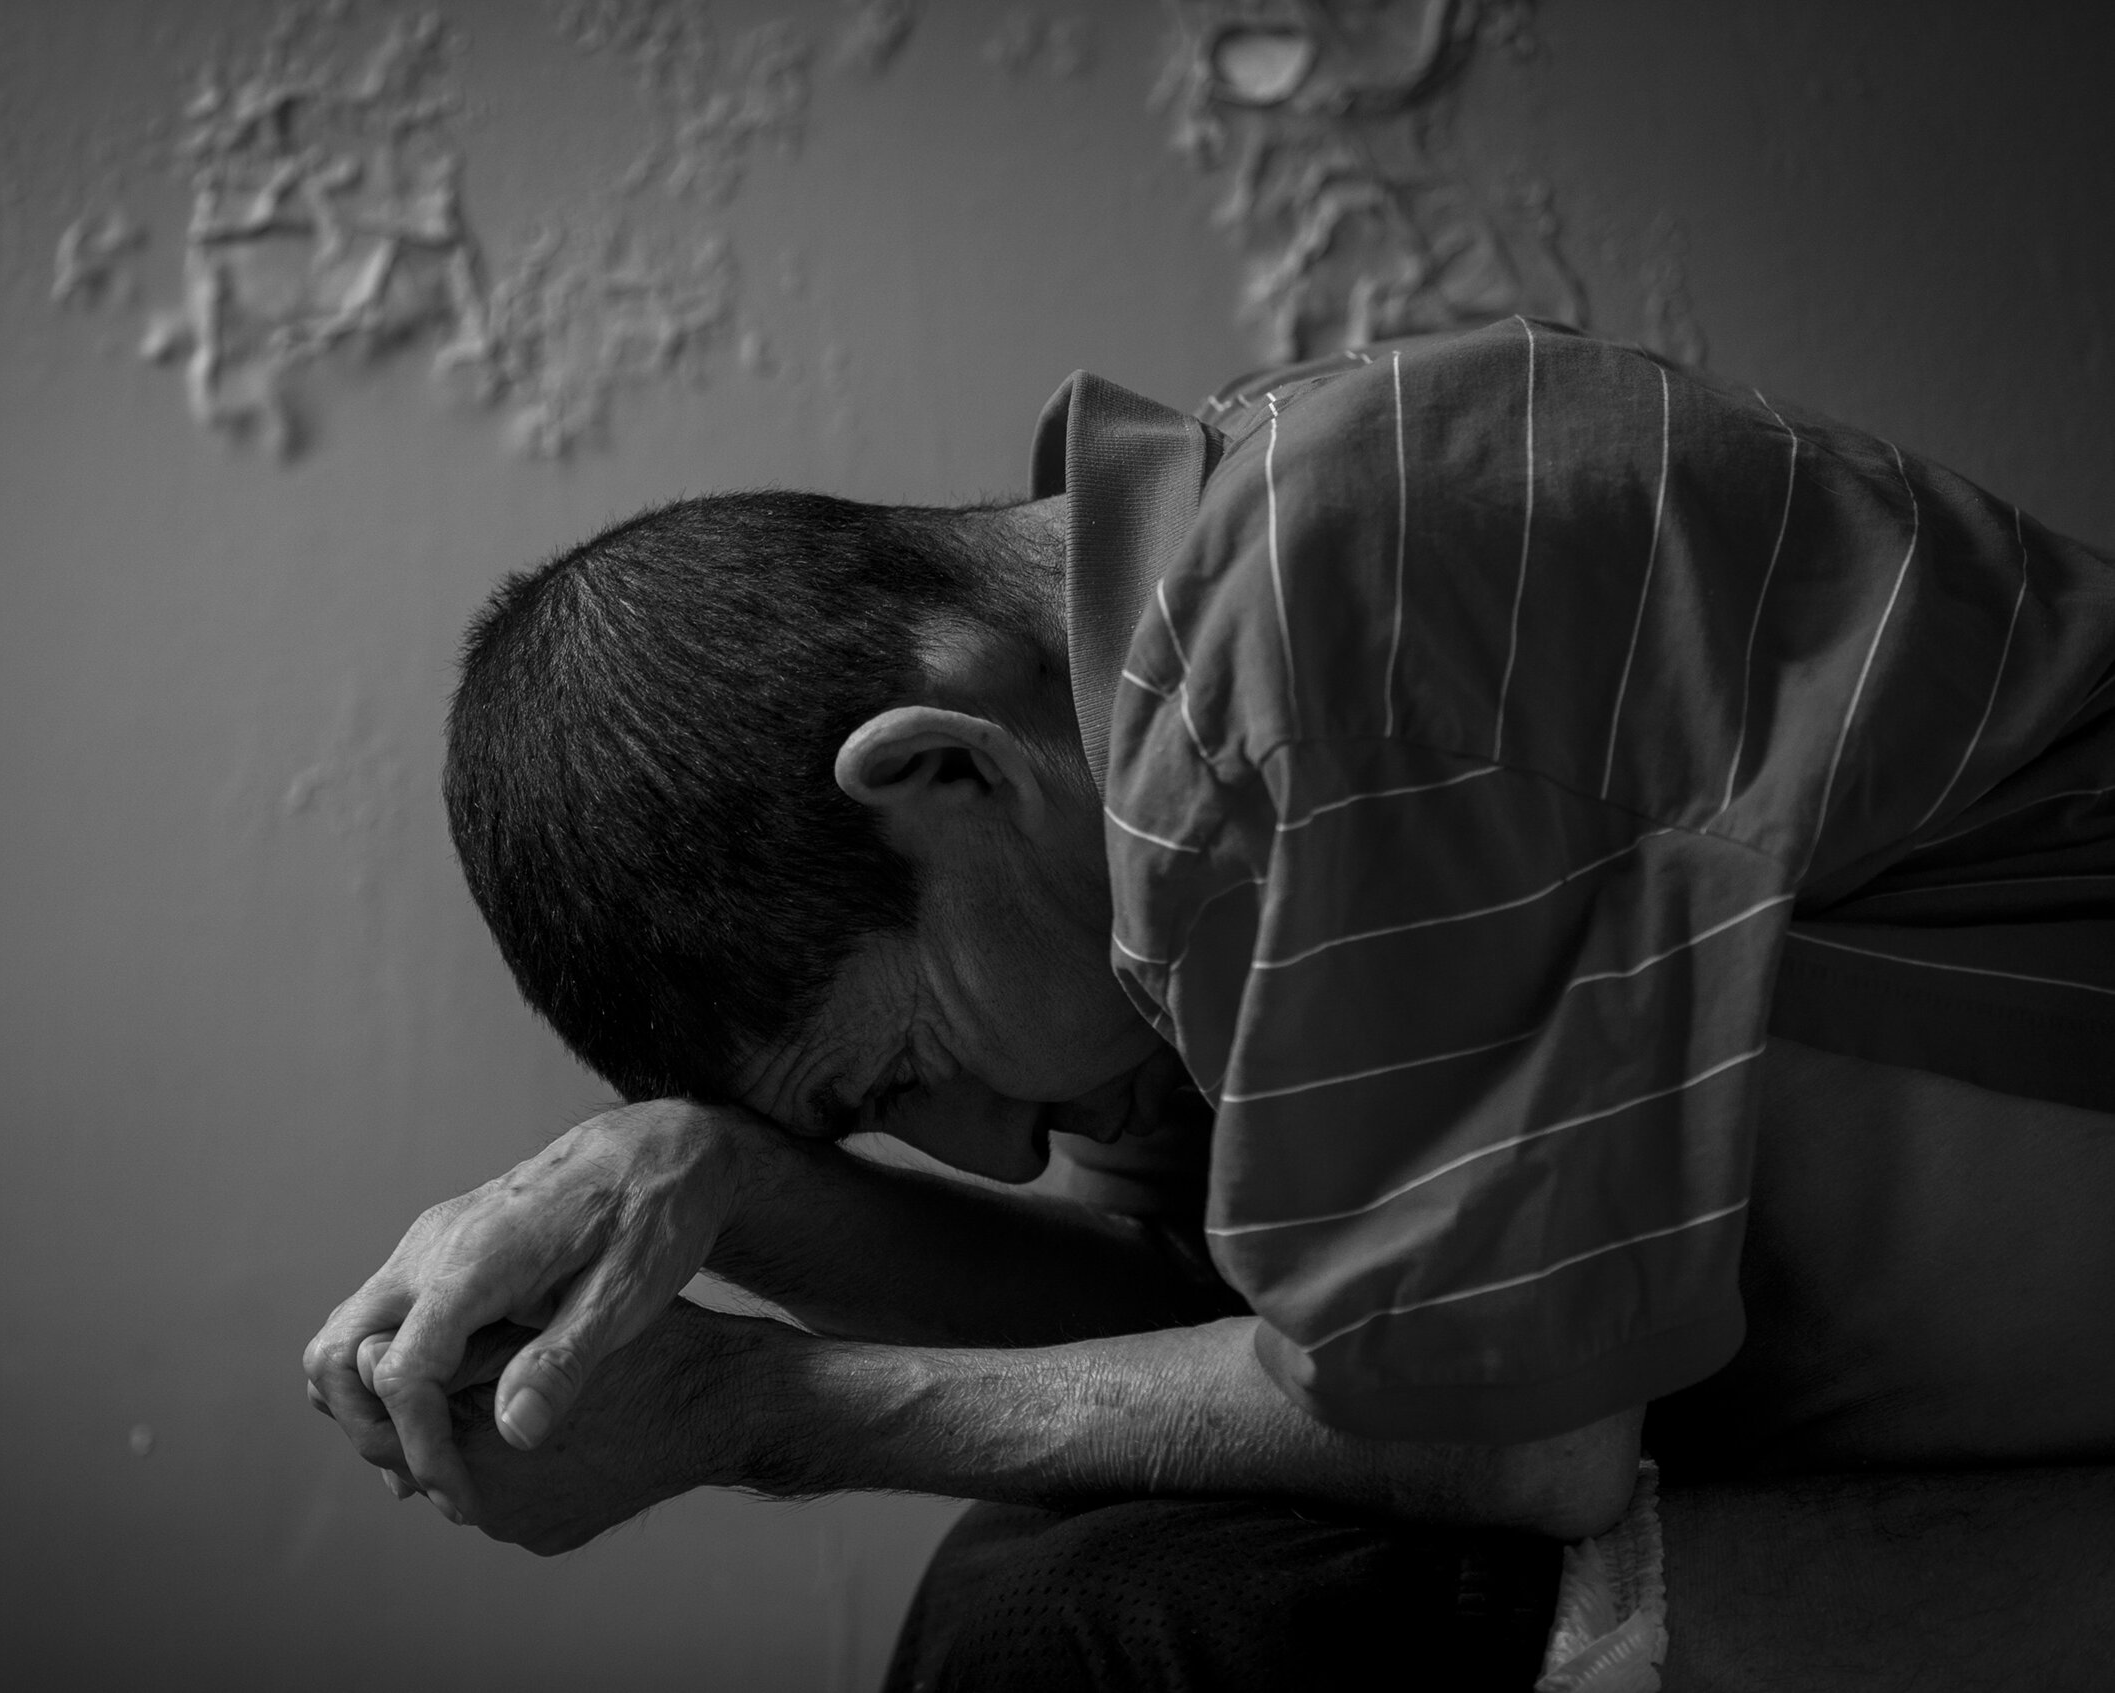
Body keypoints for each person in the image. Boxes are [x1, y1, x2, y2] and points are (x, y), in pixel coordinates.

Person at [303, 319, 2115, 1688]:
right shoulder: (1137, 669)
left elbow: (1505, 1428)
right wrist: (714, 1175)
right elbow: (1233, 1323)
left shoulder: (1301, 645)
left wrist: (767, 1410)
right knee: (1034, 1587)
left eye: (902, 1069)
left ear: (943, 772)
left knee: (1102, 1633)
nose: (992, 1151)